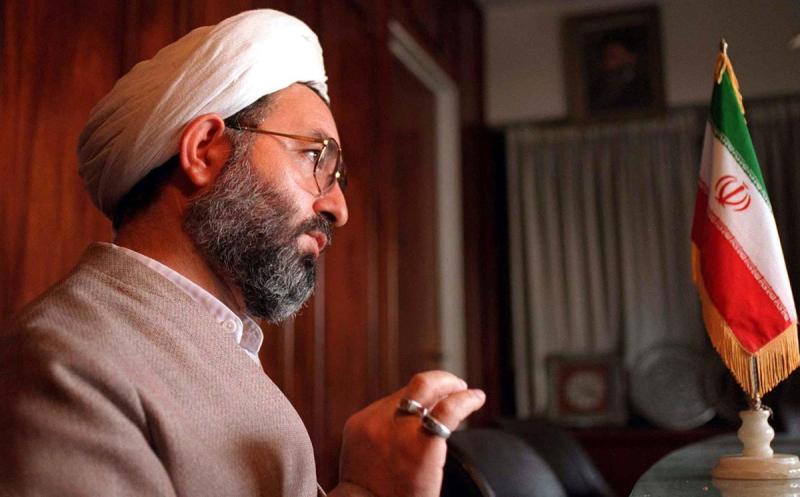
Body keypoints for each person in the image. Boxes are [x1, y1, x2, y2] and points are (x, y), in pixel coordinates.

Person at [0, 9, 485, 497]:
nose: (338, 208)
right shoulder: (66, 363)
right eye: (315, 157)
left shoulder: (217, 342)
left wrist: (365, 490)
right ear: (204, 151)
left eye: (337, 176)